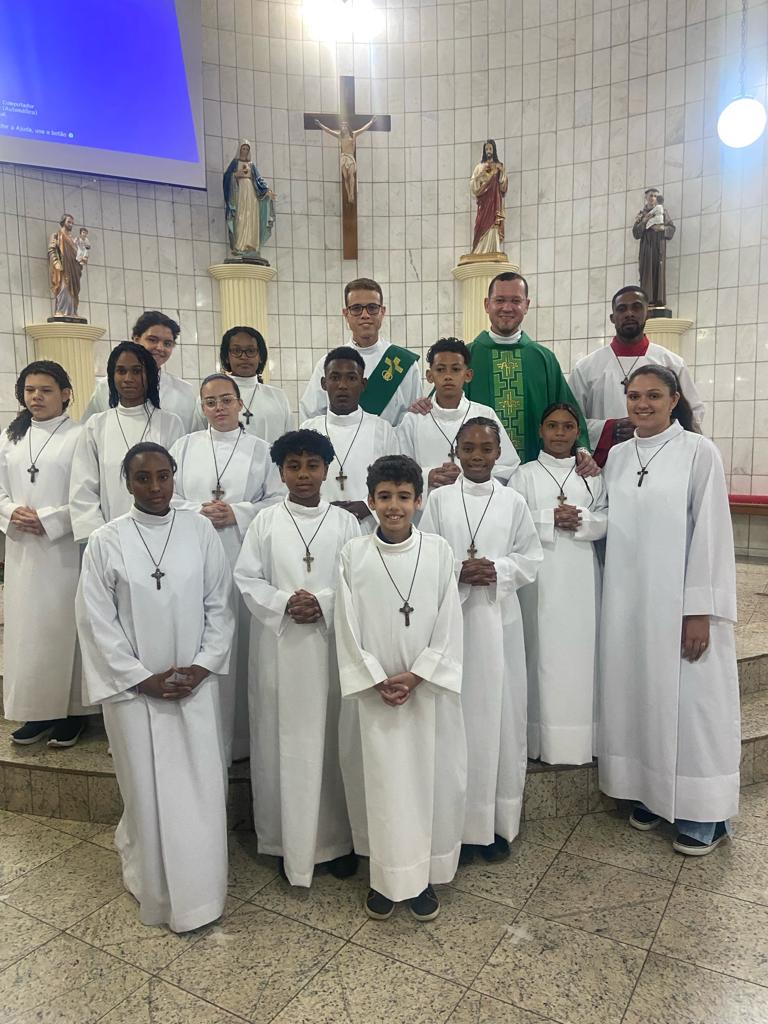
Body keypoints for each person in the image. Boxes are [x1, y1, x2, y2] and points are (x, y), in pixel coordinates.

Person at [76, 443, 234, 932]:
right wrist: (140, 678)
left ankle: (203, 890)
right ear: (126, 481)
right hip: (134, 694)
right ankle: (155, 886)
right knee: (143, 788)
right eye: (143, 478)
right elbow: (96, 621)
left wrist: (203, 667)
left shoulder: (199, 530)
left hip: (193, 686)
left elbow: (219, 603)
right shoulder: (106, 540)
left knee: (199, 787)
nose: (155, 487)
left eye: (163, 476)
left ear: (174, 476)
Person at [598, 366, 740, 855]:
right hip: (630, 599)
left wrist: (699, 608)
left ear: (674, 399)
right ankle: (652, 792)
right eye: (634, 396)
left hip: (681, 602)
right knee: (641, 693)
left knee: (694, 705)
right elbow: (609, 519)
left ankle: (706, 812)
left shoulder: (698, 452)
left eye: (654, 395)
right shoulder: (619, 456)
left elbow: (712, 533)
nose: (642, 404)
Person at [335, 455, 466, 922]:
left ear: (419, 501)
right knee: (383, 787)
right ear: (370, 501)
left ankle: (425, 875)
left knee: (429, 782)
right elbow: (346, 623)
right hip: (376, 696)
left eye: (404, 497)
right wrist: (374, 676)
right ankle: (385, 879)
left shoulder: (439, 551)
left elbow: (450, 618)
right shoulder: (353, 554)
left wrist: (419, 673)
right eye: (385, 497)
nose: (394, 506)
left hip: (425, 693)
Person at [234, 430, 361, 887]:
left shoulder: (346, 523)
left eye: (312, 466)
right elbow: (247, 578)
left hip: (328, 650)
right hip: (280, 650)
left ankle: (335, 842)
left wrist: (323, 603)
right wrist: (285, 602)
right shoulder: (265, 522)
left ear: (327, 470)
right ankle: (285, 842)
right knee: (281, 743)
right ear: (281, 472)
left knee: (330, 743)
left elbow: (357, 580)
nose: (303, 475)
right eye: (293, 466)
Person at [420, 419, 541, 860]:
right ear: (456, 450)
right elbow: (425, 553)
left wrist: (498, 569)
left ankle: (494, 825)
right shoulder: (438, 500)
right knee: (455, 721)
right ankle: (454, 826)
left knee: (498, 717)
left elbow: (531, 557)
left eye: (485, 449)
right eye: (468, 447)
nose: (476, 456)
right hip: (452, 621)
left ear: (498, 453)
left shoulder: (512, 501)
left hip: (496, 621)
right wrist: (457, 570)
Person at [169, 374, 284, 763]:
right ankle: (204, 736)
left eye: (226, 400)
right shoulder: (184, 447)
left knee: (241, 641)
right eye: (211, 402)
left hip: (242, 554)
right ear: (202, 407)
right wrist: (198, 510)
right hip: (194, 555)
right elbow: (168, 496)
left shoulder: (263, 450)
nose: (219, 408)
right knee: (201, 637)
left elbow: (278, 500)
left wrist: (236, 512)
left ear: (240, 404)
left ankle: (242, 739)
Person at [410, 273, 597, 470]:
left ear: (526, 305)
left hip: (537, 473)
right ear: (486, 304)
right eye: (499, 300)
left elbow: (568, 412)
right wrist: (424, 404)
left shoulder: (543, 359)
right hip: (477, 475)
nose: (507, 308)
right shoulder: (467, 357)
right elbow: (442, 406)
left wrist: (582, 448)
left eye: (515, 301)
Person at [508, 404, 607, 766]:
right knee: (542, 652)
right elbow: (512, 520)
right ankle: (542, 739)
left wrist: (583, 520)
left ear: (577, 432)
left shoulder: (591, 475)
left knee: (582, 654)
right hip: (541, 577)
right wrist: (549, 517)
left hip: (582, 574)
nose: (560, 433)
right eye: (552, 426)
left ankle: (582, 740)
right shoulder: (524, 475)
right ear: (540, 431)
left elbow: (608, 515)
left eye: (567, 426)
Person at [0, 361, 90, 748]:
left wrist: (51, 519)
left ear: (66, 394)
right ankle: (36, 711)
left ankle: (72, 713)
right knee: (27, 633)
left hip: (63, 551)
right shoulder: (10, 438)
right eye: (30, 390)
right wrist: (10, 512)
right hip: (23, 550)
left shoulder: (80, 436)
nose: (36, 397)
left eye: (46, 390)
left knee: (64, 629)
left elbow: (88, 495)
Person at [569, 286, 704, 466]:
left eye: (637, 307)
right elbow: (571, 420)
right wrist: (609, 429)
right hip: (604, 465)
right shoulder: (586, 368)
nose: (629, 313)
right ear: (612, 318)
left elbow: (692, 414)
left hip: (661, 460)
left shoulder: (671, 363)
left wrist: (654, 430)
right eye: (622, 309)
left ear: (647, 313)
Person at [70, 342, 185, 542]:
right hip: (110, 536)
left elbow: (178, 483)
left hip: (162, 533)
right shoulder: (97, 425)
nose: (128, 378)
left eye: (137, 371)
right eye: (121, 371)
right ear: (112, 376)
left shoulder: (170, 423)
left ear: (149, 375)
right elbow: (83, 487)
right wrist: (99, 538)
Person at [398, 338, 519, 490]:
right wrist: (427, 476)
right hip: (428, 499)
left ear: (468, 375)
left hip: (476, 499)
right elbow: (398, 467)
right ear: (429, 376)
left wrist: (468, 474)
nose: (448, 376)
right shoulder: (414, 419)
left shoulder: (485, 414)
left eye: (455, 369)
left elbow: (507, 467)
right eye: (440, 369)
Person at [299, 278, 421, 427]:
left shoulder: (404, 363)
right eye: (356, 308)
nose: (365, 315)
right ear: (346, 314)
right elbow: (310, 418)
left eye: (372, 307)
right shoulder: (328, 364)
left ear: (382, 312)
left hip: (390, 441)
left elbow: (415, 420)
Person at [301, 346, 399, 529]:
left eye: (351, 378)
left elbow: (396, 479)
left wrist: (367, 505)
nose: (342, 385)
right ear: (323, 383)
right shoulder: (308, 430)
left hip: (369, 526)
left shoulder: (382, 429)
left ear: (363, 384)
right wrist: (323, 507)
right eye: (335, 377)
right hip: (319, 524)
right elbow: (299, 481)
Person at [81, 311, 200, 432]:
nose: (160, 347)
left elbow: (193, 436)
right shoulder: (105, 387)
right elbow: (88, 432)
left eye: (167, 343)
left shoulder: (184, 391)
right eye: (152, 340)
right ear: (136, 340)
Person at [219, 325, 292, 442]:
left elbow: (290, 442)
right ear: (227, 357)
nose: (244, 357)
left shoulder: (278, 397)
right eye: (237, 351)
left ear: (260, 357)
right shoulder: (212, 397)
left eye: (251, 351)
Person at [223, 139, 275, 259]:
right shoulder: (235, 163)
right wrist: (236, 175)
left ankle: (251, 246)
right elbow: (226, 178)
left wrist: (267, 191)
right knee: (240, 218)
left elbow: (259, 180)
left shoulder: (251, 165)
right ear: (240, 149)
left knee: (251, 218)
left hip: (251, 195)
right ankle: (239, 246)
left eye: (247, 149)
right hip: (239, 194)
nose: (245, 151)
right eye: (243, 148)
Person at [313, 117, 376, 205]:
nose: (343, 127)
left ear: (347, 127)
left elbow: (363, 129)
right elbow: (328, 131)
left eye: (345, 126)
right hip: (343, 158)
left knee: (351, 175)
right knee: (346, 177)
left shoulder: (353, 134)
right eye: (342, 126)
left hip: (350, 158)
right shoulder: (340, 136)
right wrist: (320, 124)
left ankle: (352, 194)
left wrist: (371, 122)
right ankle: (348, 194)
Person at [632, 188, 676, 308]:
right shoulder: (642, 214)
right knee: (646, 272)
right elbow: (636, 233)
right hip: (646, 248)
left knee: (658, 271)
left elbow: (671, 228)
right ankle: (647, 300)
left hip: (659, 247)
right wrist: (644, 221)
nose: (653, 198)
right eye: (651, 196)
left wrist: (662, 228)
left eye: (655, 196)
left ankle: (659, 301)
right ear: (646, 197)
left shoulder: (663, 212)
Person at [470, 140, 508, 255]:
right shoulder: (479, 167)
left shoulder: (499, 166)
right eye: (486, 149)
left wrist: (502, 173)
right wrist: (480, 175)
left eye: (490, 149)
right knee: (480, 223)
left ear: (494, 150)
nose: (488, 151)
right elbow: (473, 184)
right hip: (483, 203)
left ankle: (494, 248)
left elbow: (503, 187)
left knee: (494, 222)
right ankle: (479, 249)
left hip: (495, 201)